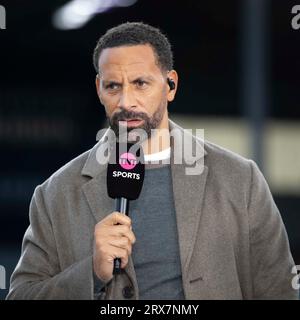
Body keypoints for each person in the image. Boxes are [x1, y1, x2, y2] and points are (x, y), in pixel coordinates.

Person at [6, 22, 298, 300]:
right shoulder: (55, 193)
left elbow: (278, 290)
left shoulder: (240, 179)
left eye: (140, 83)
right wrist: (92, 272)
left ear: (170, 85)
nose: (125, 102)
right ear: (98, 89)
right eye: (113, 87)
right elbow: (22, 294)